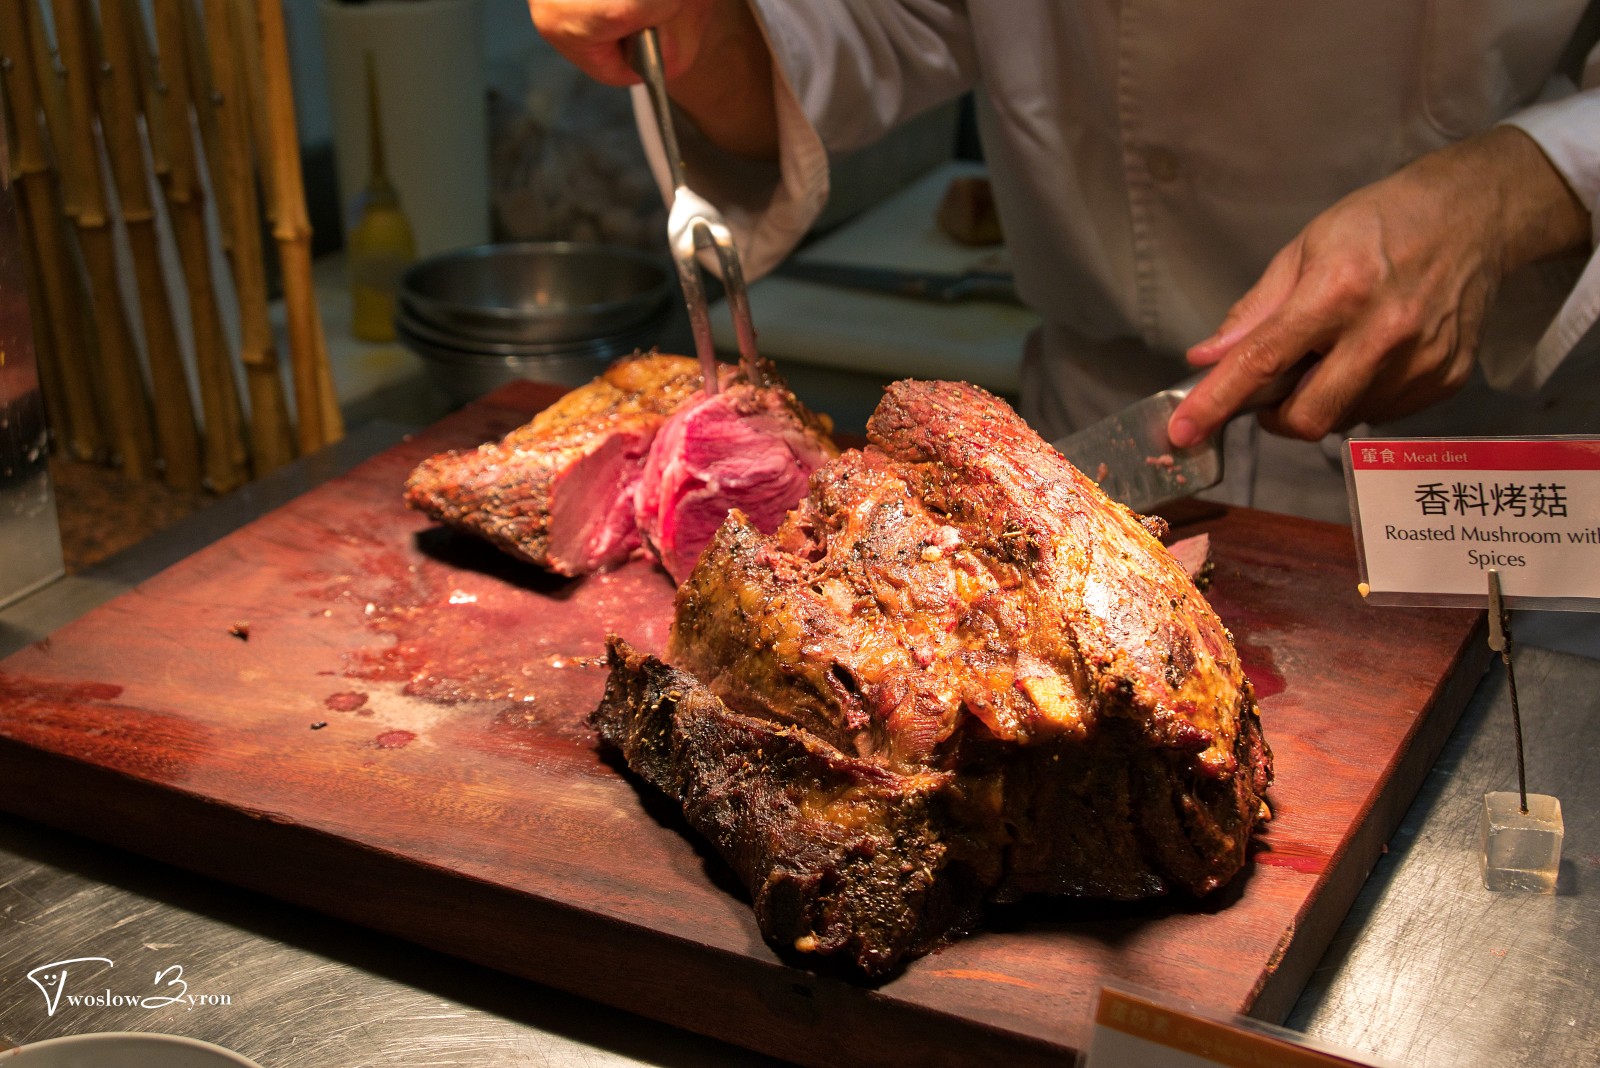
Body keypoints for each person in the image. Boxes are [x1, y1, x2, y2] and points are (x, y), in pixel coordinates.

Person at [526, 0, 1600, 520]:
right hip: (1097, 461)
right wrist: (697, 29)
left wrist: (1518, 188)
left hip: (1497, 468)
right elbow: (850, 38)